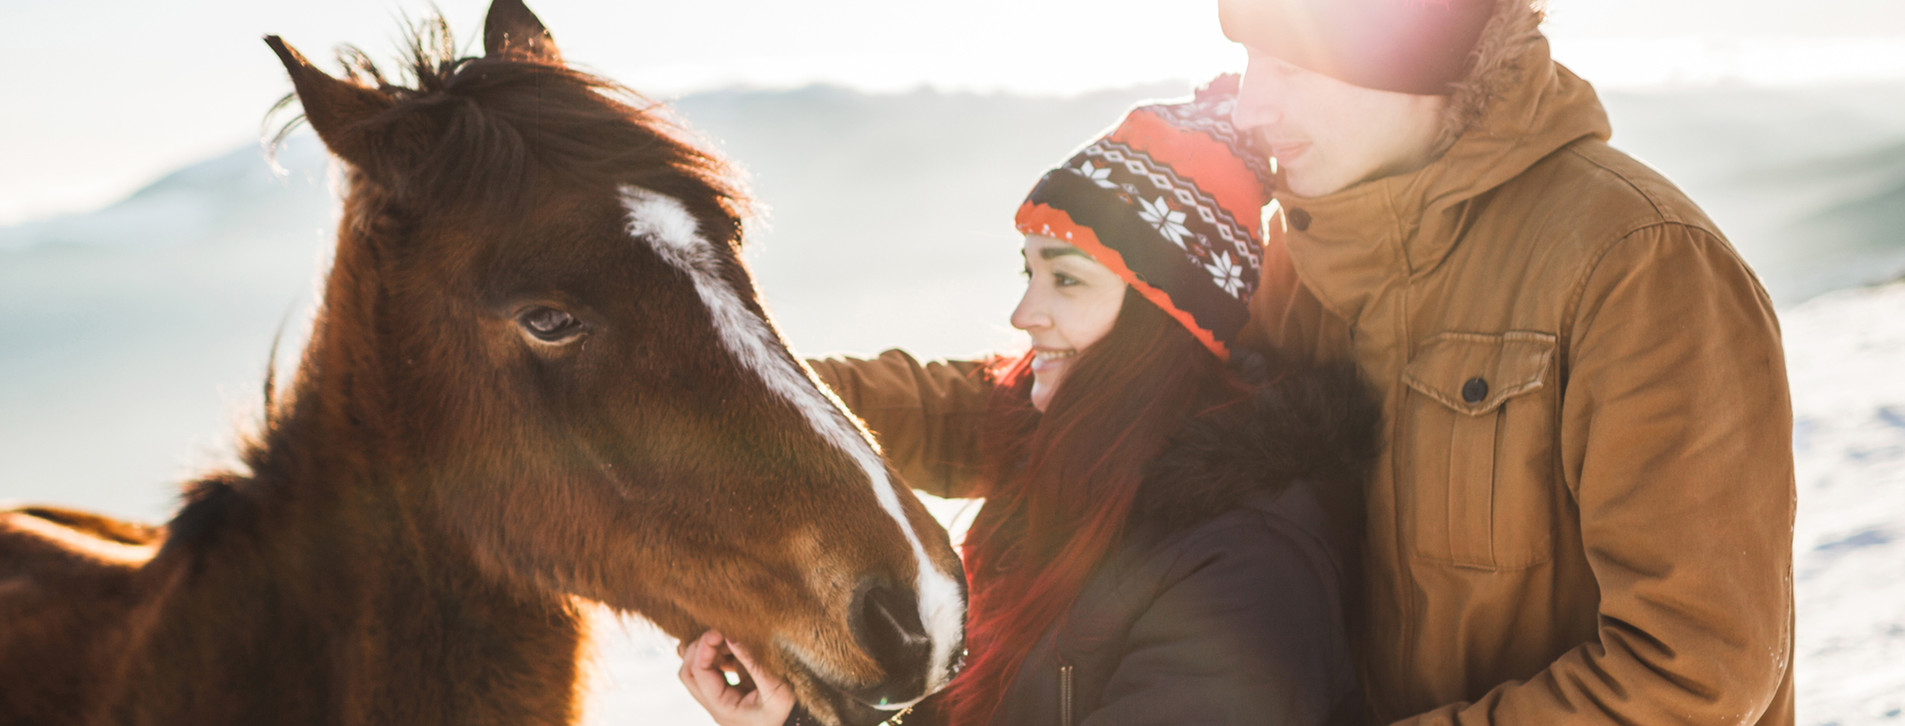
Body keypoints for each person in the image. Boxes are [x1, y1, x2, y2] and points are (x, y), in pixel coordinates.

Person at [797, 0, 1801, 723]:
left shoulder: (1636, 262)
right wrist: (751, 399)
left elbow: (1694, 673)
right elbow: (1078, 403)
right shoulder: (1300, 263)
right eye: (1247, 55)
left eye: (1291, 61)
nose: (1252, 103)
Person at [680, 83, 1380, 726]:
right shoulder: (1064, 479)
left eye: (1066, 282)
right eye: (1029, 272)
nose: (1023, 314)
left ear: (1163, 319)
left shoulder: (1245, 564)